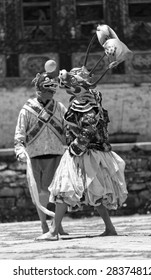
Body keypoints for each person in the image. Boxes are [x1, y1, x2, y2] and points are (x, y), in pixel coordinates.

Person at [36, 24, 130, 241]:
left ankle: (53, 231)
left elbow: (87, 130)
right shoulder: (89, 98)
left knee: (63, 190)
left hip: (83, 153)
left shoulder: (84, 104)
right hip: (93, 153)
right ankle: (108, 227)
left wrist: (75, 149)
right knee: (94, 192)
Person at [14, 62, 68, 236]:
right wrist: (20, 150)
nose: (51, 93)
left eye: (52, 91)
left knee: (60, 192)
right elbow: (20, 134)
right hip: (35, 156)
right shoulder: (27, 110)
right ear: (39, 90)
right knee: (41, 193)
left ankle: (57, 225)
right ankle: (44, 224)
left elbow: (69, 126)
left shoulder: (59, 107)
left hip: (57, 154)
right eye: (48, 90)